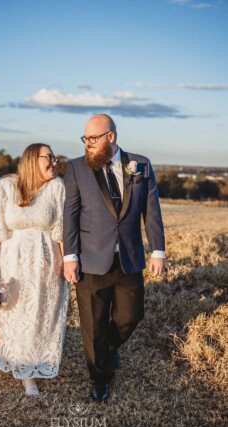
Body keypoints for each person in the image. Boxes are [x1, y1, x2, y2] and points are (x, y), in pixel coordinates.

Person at [63, 114, 165, 402]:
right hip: (91, 261)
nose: (88, 144)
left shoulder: (140, 164)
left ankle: (106, 350)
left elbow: (151, 209)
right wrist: (70, 256)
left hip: (129, 258)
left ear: (111, 137)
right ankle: (100, 378)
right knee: (93, 325)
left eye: (93, 139)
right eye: (85, 139)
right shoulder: (75, 169)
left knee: (131, 315)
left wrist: (158, 249)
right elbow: (69, 215)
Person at [0, 143, 69, 396]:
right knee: (14, 311)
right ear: (31, 159)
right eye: (49, 157)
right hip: (11, 264)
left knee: (40, 313)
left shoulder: (57, 188)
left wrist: (69, 262)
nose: (54, 162)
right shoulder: (4, 187)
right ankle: (22, 366)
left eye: (55, 157)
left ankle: (32, 366)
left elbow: (61, 231)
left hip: (47, 264)